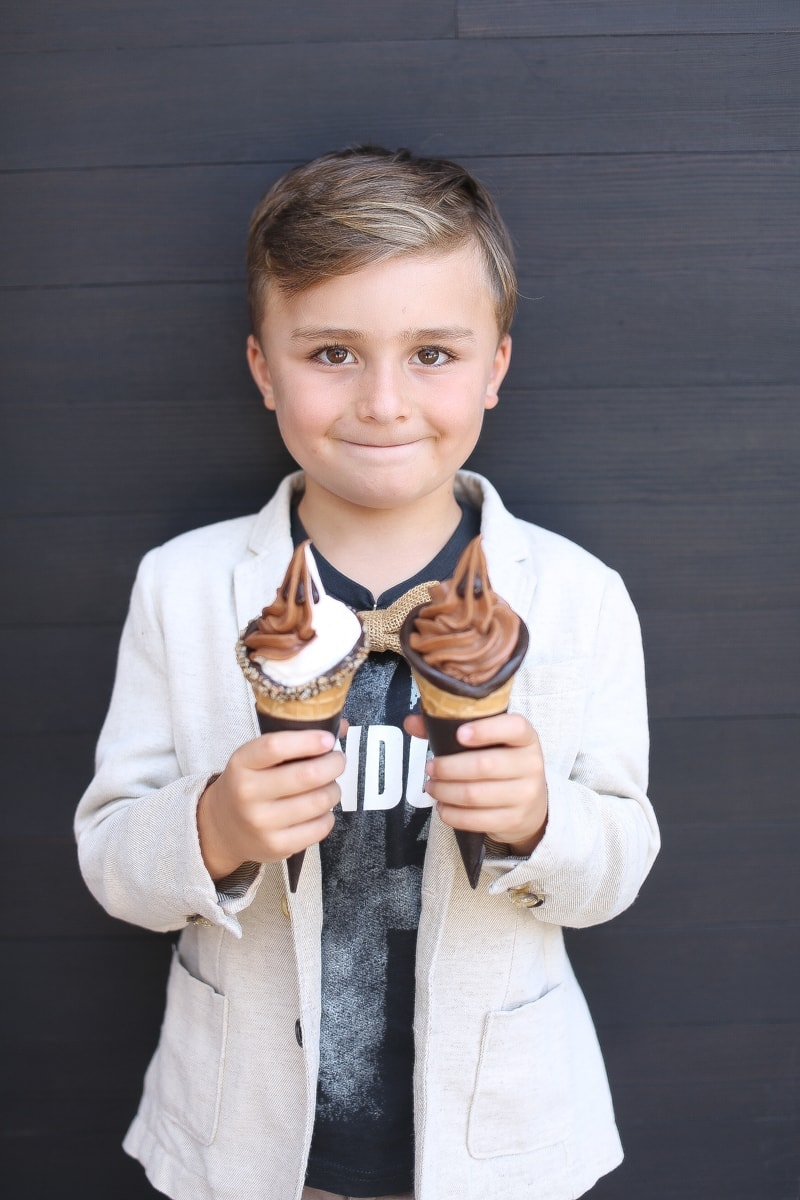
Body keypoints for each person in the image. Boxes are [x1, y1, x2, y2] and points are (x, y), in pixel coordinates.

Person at [75, 146, 660, 1200]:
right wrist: (212, 828)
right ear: (262, 367)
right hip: (250, 1138)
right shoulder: (183, 585)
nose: (383, 402)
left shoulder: (577, 595)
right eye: (332, 352)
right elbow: (111, 857)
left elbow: (618, 861)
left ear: (495, 365)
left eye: (432, 353)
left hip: (498, 1139)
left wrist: (540, 820)